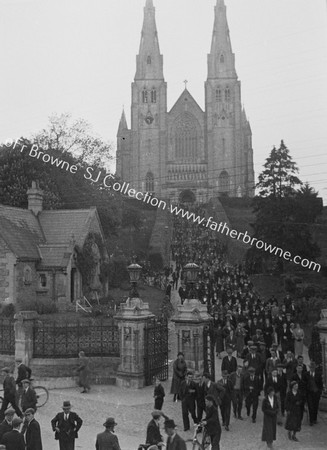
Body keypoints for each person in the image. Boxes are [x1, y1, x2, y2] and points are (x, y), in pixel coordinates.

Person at [306, 361, 323, 426]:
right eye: (311, 367)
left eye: (313, 367)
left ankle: (314, 418)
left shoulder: (318, 375)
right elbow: (305, 384)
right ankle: (311, 420)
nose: (312, 369)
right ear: (309, 368)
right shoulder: (306, 374)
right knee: (310, 406)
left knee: (315, 406)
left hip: (316, 393)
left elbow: (320, 385)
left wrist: (319, 392)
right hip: (309, 393)